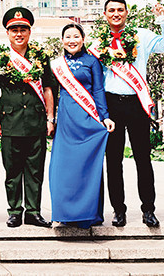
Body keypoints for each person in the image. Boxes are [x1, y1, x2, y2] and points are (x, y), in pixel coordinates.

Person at [97, 0, 164, 228]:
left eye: (120, 10)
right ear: (105, 14)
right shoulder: (99, 42)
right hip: (112, 103)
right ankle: (118, 210)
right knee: (113, 160)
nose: (116, 14)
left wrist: (162, 20)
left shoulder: (141, 35)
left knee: (143, 158)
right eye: (111, 10)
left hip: (137, 103)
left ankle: (148, 210)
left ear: (126, 12)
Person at [0, 7, 54, 228]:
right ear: (7, 33)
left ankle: (34, 211)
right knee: (12, 171)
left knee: (35, 171)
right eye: (14, 30)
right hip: (10, 122)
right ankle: (15, 211)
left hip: (36, 121)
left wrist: (50, 118)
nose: (19, 34)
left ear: (29, 31)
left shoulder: (41, 57)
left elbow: (47, 88)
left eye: (23, 29)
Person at [48, 23, 116, 228]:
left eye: (76, 36)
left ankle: (88, 214)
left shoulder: (92, 61)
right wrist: (50, 119)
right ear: (62, 40)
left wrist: (105, 117)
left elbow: (98, 91)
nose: (72, 40)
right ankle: (65, 213)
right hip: (67, 121)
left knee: (88, 167)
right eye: (67, 36)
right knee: (63, 168)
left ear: (83, 39)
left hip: (88, 120)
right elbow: (49, 91)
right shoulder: (56, 64)